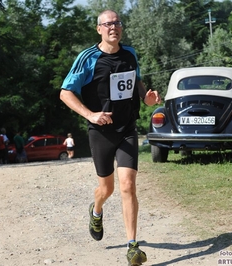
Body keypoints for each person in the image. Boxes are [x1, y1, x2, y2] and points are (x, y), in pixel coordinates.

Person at [59, 9, 161, 266]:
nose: (113, 27)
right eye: (107, 24)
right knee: (107, 189)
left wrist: (145, 97)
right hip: (101, 132)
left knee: (127, 185)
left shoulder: (130, 54)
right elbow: (65, 93)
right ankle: (96, 211)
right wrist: (90, 114)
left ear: (121, 28)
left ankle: (132, 246)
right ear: (99, 29)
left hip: (127, 128)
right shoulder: (88, 58)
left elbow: (135, 80)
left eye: (116, 23)